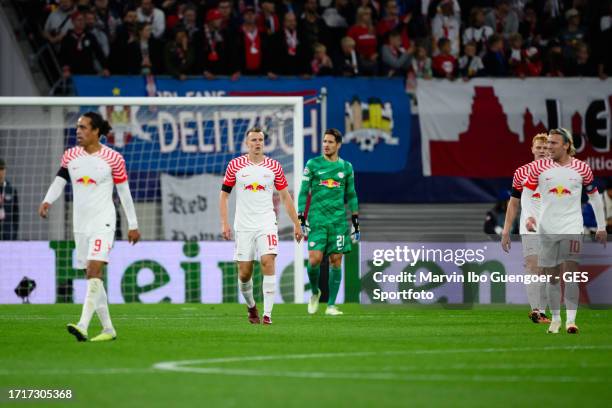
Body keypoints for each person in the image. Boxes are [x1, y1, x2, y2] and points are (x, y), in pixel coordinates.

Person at [39, 112, 140, 342]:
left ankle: (83, 325)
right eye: (77, 127)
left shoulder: (113, 158)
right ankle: (108, 329)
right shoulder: (70, 155)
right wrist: (47, 201)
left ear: (96, 131)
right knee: (91, 275)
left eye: (83, 127)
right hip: (80, 224)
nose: (78, 131)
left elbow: (124, 192)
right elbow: (59, 180)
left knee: (94, 270)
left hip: (103, 221)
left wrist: (133, 224)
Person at [522, 128, 607, 334]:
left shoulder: (582, 168)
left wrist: (601, 226)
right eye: (547, 143)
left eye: (553, 143)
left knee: (570, 275)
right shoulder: (539, 168)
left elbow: (594, 197)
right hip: (546, 229)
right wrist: (530, 216)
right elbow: (527, 192)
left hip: (572, 228)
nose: (548, 147)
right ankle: (556, 319)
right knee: (551, 278)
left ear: (566, 145)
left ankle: (571, 321)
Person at [219, 127, 303, 325]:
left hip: (266, 223)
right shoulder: (235, 165)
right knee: (245, 272)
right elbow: (224, 195)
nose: (257, 143)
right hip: (244, 226)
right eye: (254, 140)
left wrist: (297, 224)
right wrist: (224, 223)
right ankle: (251, 307)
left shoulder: (274, 166)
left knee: (268, 261)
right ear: (247, 143)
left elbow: (285, 196)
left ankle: (268, 315)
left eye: (260, 140)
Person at [298, 128, 359, 316]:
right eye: (324, 141)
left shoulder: (346, 167)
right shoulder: (313, 164)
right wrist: (301, 217)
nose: (326, 145)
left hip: (338, 221)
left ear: (338, 144)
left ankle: (331, 305)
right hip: (317, 220)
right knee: (314, 259)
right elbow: (302, 192)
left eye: (330, 142)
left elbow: (351, 195)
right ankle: (315, 292)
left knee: (336, 261)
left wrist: (355, 224)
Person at [501, 133, 550, 324]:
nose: (542, 151)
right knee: (532, 266)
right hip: (529, 227)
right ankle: (536, 311)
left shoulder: (558, 173)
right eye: (538, 147)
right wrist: (506, 230)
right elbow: (513, 204)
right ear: (532, 149)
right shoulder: (521, 172)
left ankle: (543, 311)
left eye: (545, 148)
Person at [0, 158, 19, 240]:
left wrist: (14, 234)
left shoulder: (11, 189)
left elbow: (16, 214)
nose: (1, 172)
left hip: (7, 233)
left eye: (2, 169)